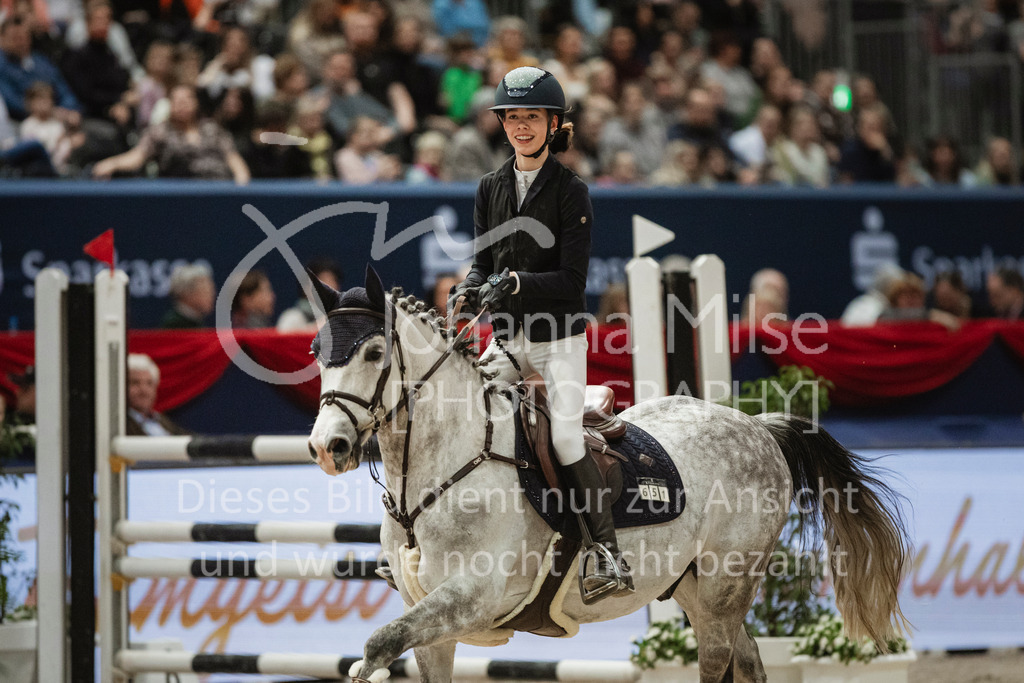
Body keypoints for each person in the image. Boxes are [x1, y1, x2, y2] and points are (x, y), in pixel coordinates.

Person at [449, 66, 632, 603]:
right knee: (457, 410)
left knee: (567, 437)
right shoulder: (489, 188)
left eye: (531, 118)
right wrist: (470, 287)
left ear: (553, 125)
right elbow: (483, 264)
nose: (521, 127)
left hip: (558, 339)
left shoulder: (572, 191)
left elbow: (573, 281)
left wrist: (513, 282)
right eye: (512, 118)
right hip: (506, 339)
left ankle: (607, 553)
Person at [126, 354, 189, 436]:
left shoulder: (160, 419)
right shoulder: (121, 423)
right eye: (135, 382)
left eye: (149, 383)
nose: (143, 390)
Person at [277, 258, 343, 331]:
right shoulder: (292, 318)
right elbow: (283, 340)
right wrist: (314, 329)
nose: (330, 287)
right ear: (306, 287)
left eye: (333, 281)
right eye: (323, 281)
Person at [161, 263, 216, 328]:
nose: (212, 296)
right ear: (187, 293)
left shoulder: (196, 321)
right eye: (206, 291)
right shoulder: (174, 325)